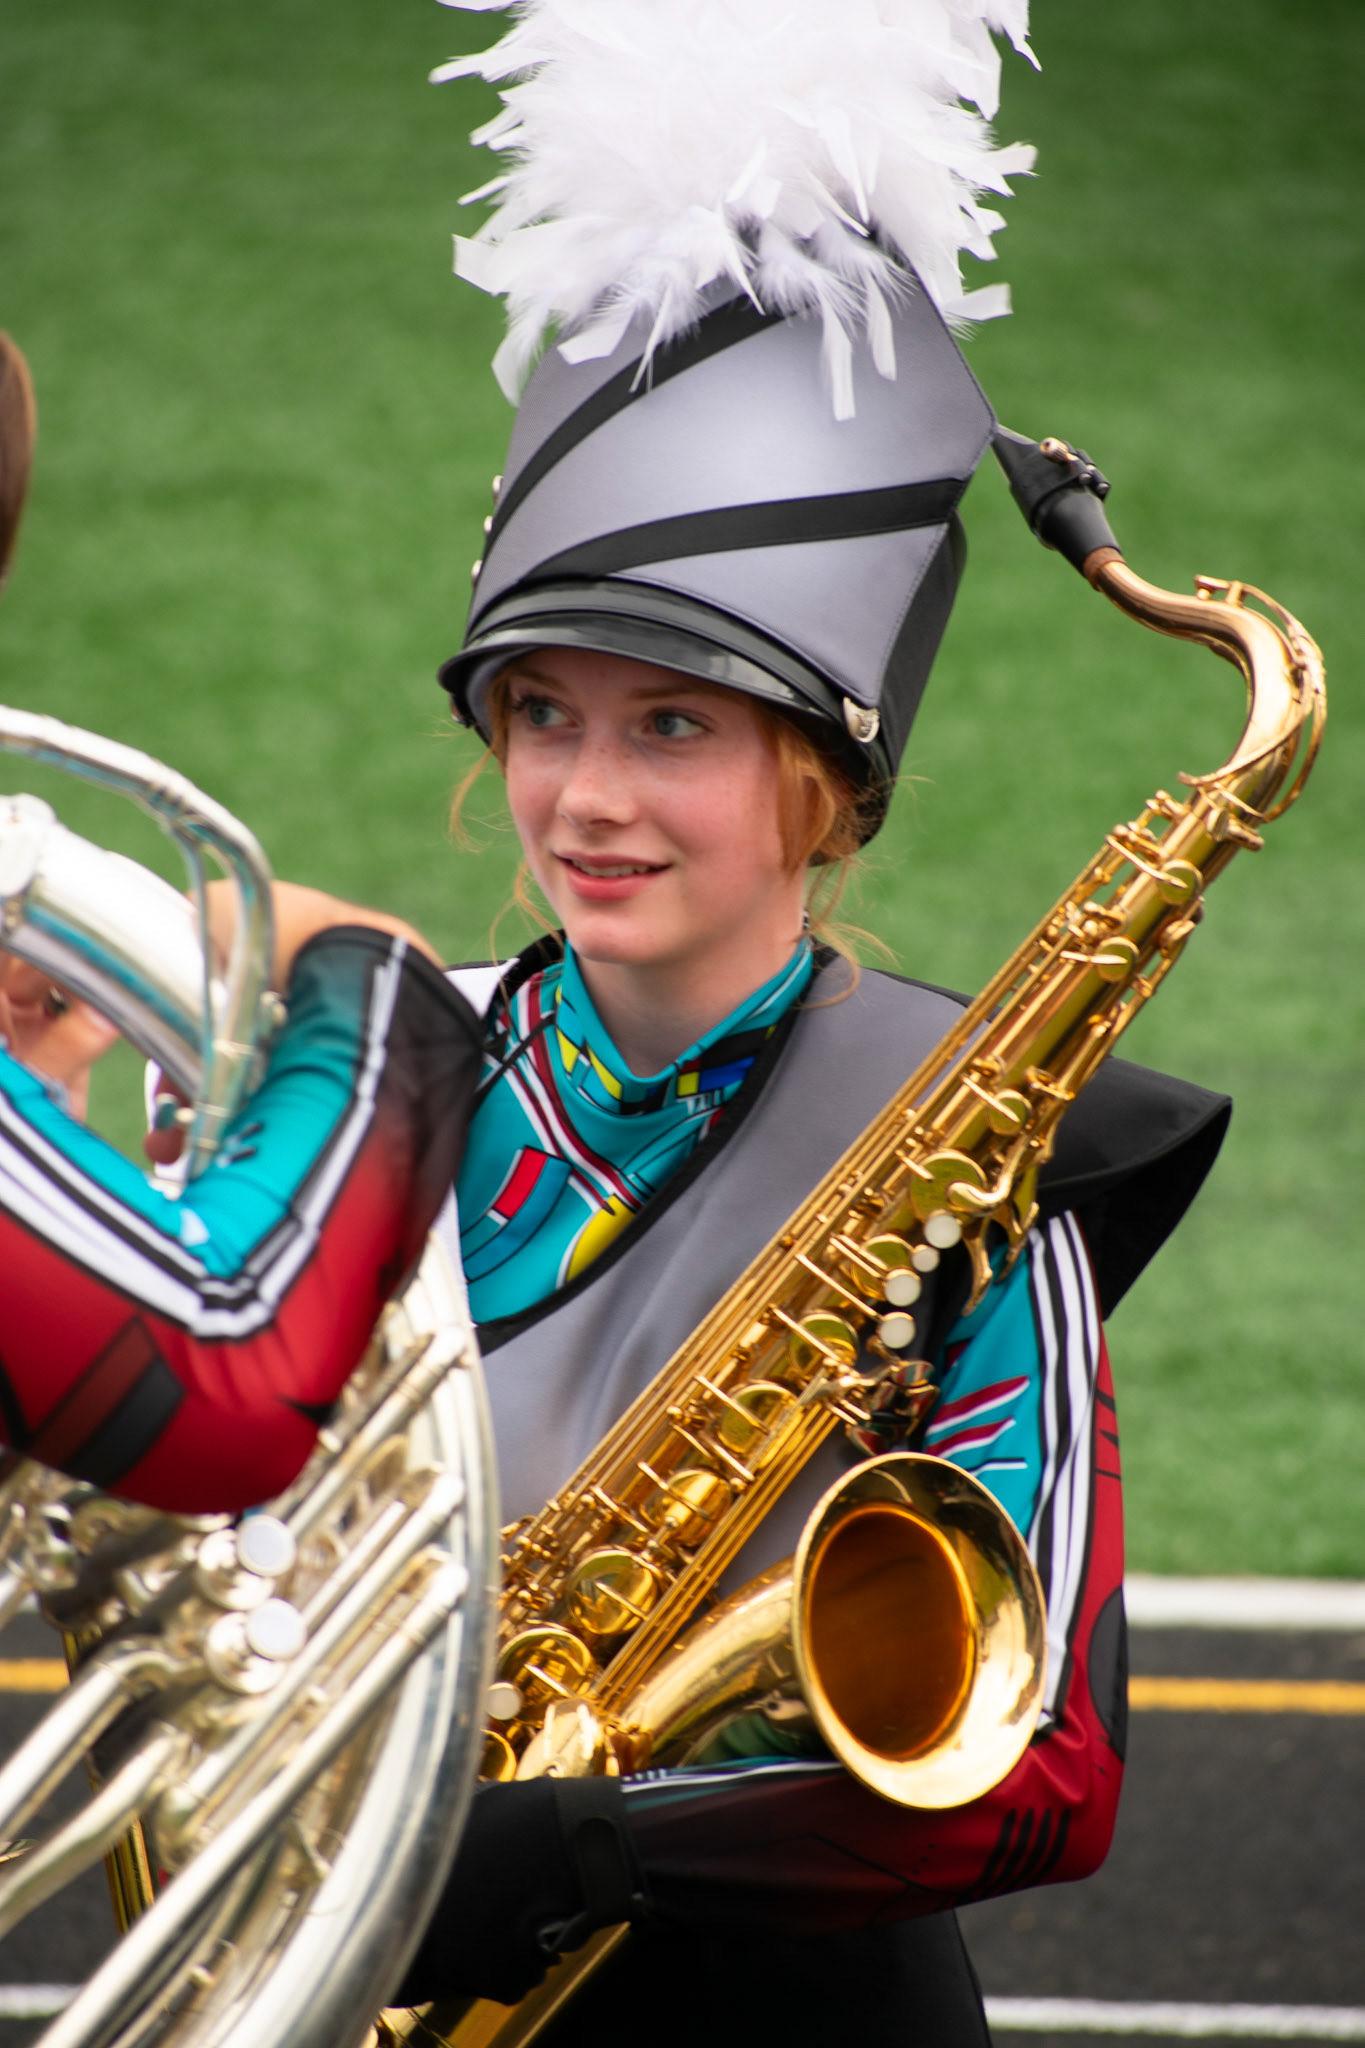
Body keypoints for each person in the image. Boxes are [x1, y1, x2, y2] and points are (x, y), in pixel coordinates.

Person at [0, 4, 1236, 2040]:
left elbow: (1045, 1771)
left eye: (672, 727)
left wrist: (582, 1845)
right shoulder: (364, 1077)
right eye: (542, 715)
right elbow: (156, 1554)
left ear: (822, 782)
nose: (583, 795)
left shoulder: (969, 1146)